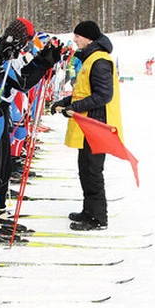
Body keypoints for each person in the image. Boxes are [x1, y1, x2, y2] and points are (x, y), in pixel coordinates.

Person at [50, 20, 122, 231]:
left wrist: (75, 107)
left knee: (92, 171)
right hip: (88, 123)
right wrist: (65, 102)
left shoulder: (99, 61)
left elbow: (103, 95)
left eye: (78, 36)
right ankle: (88, 210)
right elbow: (84, 91)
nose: (75, 40)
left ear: (89, 38)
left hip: (97, 124)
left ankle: (98, 218)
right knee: (85, 169)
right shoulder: (91, 58)